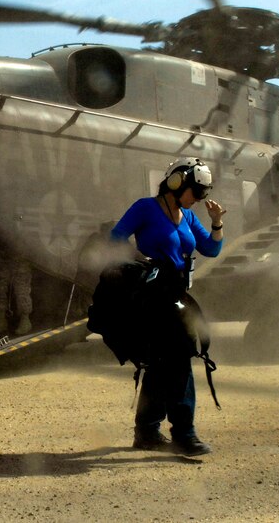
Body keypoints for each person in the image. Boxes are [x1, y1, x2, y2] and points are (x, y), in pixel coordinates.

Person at [110, 157, 226, 457]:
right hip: (151, 297)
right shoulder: (145, 207)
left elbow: (211, 249)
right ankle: (184, 434)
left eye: (203, 194)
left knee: (163, 362)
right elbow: (115, 238)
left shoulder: (187, 216)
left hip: (176, 295)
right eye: (196, 192)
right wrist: (140, 258)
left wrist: (216, 223)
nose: (199, 199)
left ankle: (147, 430)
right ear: (177, 182)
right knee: (179, 358)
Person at [0, 254, 33, 336]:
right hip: (5, 253)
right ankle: (1, 320)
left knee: (22, 288)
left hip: (22, 253)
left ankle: (25, 320)